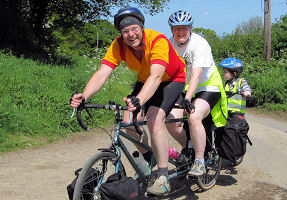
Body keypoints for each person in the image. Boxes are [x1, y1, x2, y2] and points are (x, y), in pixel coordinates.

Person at [70, 7, 186, 196]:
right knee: (127, 122)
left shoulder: (158, 40)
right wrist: (84, 96)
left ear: (142, 27)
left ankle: (163, 177)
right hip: (145, 79)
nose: (130, 34)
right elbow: (103, 73)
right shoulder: (118, 45)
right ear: (121, 33)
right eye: (125, 31)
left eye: (134, 29)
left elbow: (156, 77)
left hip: (172, 79)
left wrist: (139, 100)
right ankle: (151, 157)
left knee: (154, 119)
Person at [165, 10, 228, 177]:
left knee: (193, 117)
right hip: (184, 87)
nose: (180, 32)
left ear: (190, 28)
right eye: (176, 28)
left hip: (208, 86)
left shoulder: (200, 43)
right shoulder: (169, 44)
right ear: (171, 29)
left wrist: (187, 98)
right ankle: (189, 148)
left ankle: (199, 160)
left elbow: (197, 73)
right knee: (170, 121)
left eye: (184, 28)